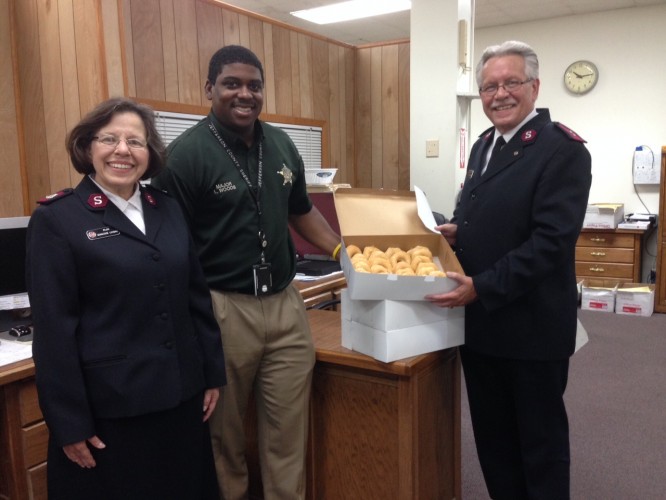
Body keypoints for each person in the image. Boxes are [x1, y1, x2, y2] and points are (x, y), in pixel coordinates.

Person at [151, 45, 341, 500]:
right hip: (223, 309)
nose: (244, 94)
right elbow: (167, 246)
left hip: (285, 304)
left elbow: (301, 211)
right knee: (225, 436)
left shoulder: (280, 143)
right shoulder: (185, 155)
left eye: (254, 85)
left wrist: (341, 249)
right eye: (231, 84)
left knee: (287, 433)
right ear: (210, 90)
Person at [26, 97, 226, 500]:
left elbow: (196, 300)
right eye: (109, 139)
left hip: (180, 398)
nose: (123, 150)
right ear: (87, 147)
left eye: (136, 141)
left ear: (150, 154)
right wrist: (69, 424)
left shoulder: (167, 209)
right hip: (111, 411)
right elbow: (53, 331)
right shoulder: (58, 219)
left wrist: (211, 374)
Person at [426, 41, 592, 499]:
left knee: (539, 445)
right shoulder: (483, 145)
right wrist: (459, 231)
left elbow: (549, 244)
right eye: (489, 86)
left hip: (532, 328)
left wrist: (481, 286)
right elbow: (487, 215)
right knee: (494, 442)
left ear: (534, 87)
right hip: (482, 327)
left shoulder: (563, 150)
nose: (499, 94)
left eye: (510, 83)